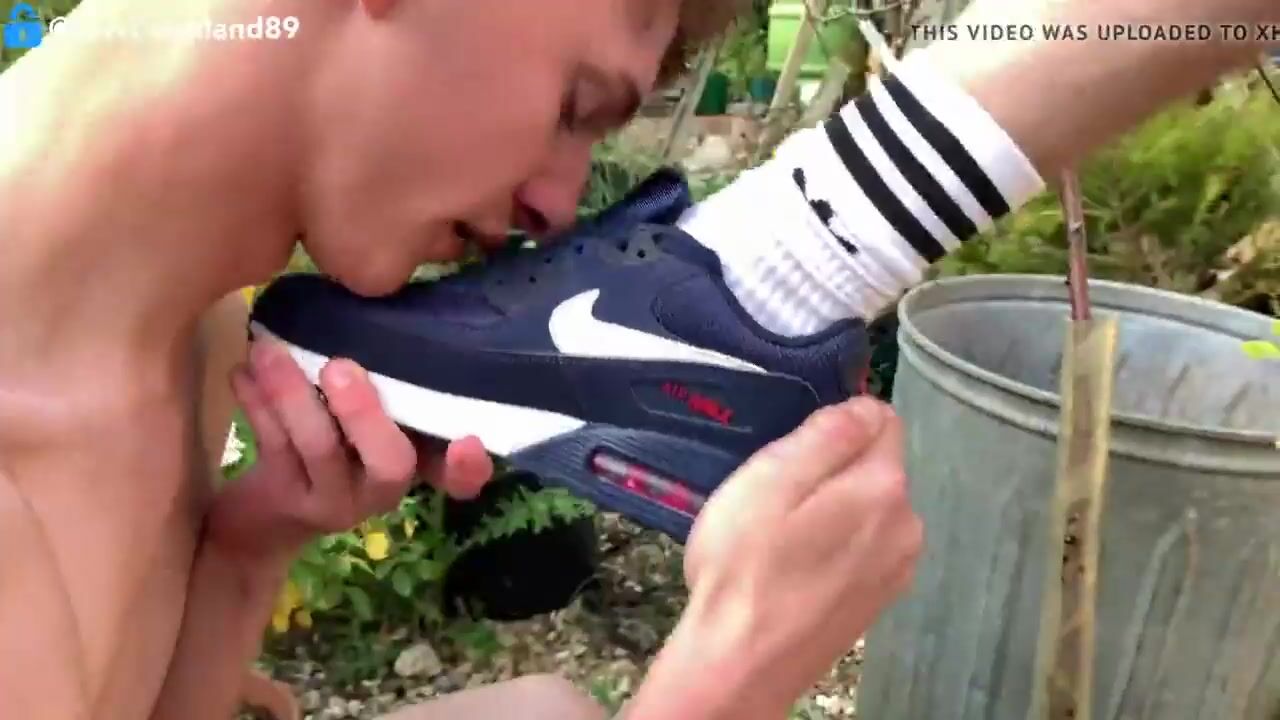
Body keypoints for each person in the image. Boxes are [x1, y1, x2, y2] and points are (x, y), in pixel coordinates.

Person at [0, 0, 1274, 718]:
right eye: (574, 107)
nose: (560, 205)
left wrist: (242, 555)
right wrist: (722, 683)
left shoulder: (177, 328)